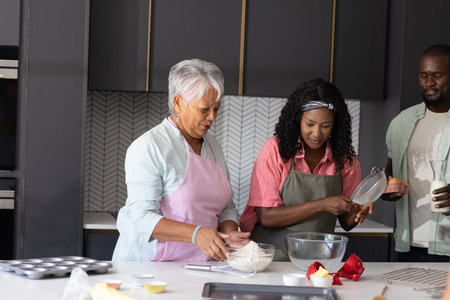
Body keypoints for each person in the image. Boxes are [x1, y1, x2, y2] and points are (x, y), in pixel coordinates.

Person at [112, 58, 250, 261]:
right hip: (149, 268)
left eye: (216, 108)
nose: (212, 117)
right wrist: (197, 234)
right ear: (178, 103)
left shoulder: (214, 146)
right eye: (204, 109)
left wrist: (230, 232)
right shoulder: (149, 147)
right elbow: (142, 219)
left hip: (199, 267)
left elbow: (226, 206)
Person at [240, 78, 373, 260]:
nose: (317, 134)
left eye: (326, 126)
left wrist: (359, 212)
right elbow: (267, 217)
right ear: (298, 119)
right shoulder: (275, 150)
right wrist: (322, 204)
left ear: (336, 124)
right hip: (270, 260)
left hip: (316, 261)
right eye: (310, 124)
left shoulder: (345, 157)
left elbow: (346, 221)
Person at [381, 44, 450, 261]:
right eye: (423, 76)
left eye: (437, 76)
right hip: (407, 246)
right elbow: (389, 175)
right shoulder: (401, 122)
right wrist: (386, 188)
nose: (428, 83)